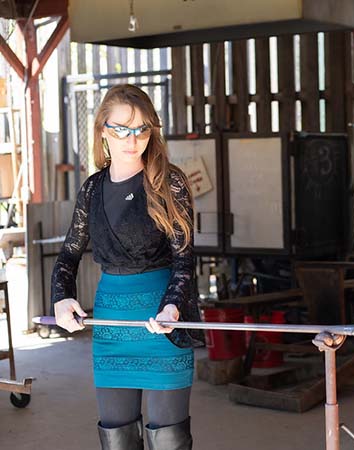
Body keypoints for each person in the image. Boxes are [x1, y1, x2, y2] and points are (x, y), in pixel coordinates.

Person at [51, 84, 202, 450]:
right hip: (111, 323)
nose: (131, 140)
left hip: (163, 322)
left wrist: (172, 306)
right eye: (121, 129)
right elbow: (69, 254)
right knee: (117, 439)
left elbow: (184, 257)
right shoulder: (91, 189)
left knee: (169, 440)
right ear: (103, 129)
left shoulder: (170, 183)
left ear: (152, 131)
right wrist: (61, 297)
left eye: (141, 130)